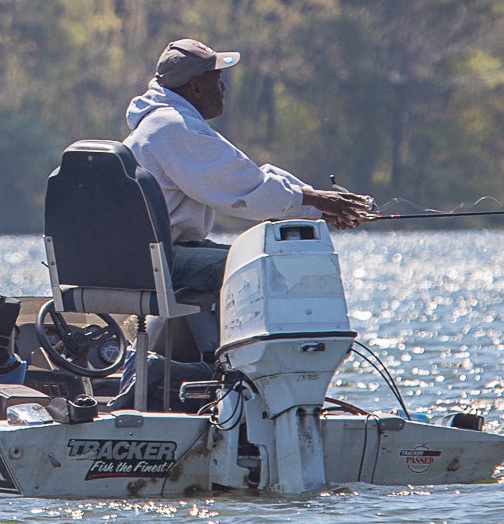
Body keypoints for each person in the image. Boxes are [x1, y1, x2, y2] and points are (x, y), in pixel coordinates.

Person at [125, 37, 371, 353]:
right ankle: (239, 367)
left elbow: (250, 175)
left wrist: (318, 206)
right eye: (218, 81)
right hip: (157, 260)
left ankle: (216, 362)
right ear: (197, 86)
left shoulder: (167, 121)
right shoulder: (172, 127)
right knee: (257, 268)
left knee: (254, 258)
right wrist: (320, 203)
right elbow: (247, 191)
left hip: (158, 253)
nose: (224, 89)